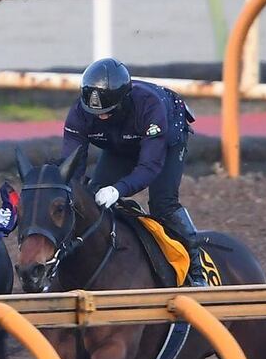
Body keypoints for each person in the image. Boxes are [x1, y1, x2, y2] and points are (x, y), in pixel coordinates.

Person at [59, 57, 207, 287]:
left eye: (108, 111)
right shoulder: (79, 113)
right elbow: (71, 166)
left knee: (163, 204)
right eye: (95, 113)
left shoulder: (150, 105)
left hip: (164, 140)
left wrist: (118, 190)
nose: (101, 117)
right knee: (90, 198)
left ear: (124, 100)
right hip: (119, 144)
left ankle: (197, 270)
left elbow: (150, 166)